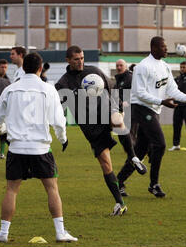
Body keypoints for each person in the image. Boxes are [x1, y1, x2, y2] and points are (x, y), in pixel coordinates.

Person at [0, 52, 77, 243]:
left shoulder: (11, 89)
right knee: (52, 188)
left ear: (22, 68)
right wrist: (63, 139)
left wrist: (2, 130)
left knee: (11, 190)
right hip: (41, 149)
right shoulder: (48, 89)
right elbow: (59, 121)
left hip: (16, 148)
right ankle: (60, 232)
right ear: (40, 68)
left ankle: (3, 233)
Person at [55, 46, 142, 216]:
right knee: (106, 165)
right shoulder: (63, 84)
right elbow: (60, 109)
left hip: (106, 111)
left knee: (117, 120)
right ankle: (120, 203)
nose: (80, 62)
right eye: (76, 59)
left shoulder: (93, 71)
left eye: (82, 58)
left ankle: (133, 156)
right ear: (68, 60)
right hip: (90, 127)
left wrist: (117, 108)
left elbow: (111, 88)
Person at [116, 37, 186, 198]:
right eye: (163, 47)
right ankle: (154, 184)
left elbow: (173, 90)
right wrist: (161, 101)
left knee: (140, 150)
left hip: (154, 110)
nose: (166, 49)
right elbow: (140, 93)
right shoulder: (143, 67)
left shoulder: (165, 67)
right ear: (154, 48)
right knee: (160, 144)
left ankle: (119, 180)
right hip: (141, 108)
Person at [113, 59, 147, 197]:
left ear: (126, 67)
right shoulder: (117, 81)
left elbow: (137, 94)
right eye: (117, 66)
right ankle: (120, 181)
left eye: (121, 65)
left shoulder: (131, 78)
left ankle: (121, 181)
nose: (119, 67)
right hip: (126, 118)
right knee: (134, 150)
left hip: (137, 116)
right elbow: (115, 97)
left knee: (137, 149)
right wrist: (119, 103)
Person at [169, 52, 186, 152]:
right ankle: (176, 144)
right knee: (176, 126)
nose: (182, 69)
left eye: (184, 67)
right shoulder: (177, 79)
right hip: (177, 105)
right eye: (181, 67)